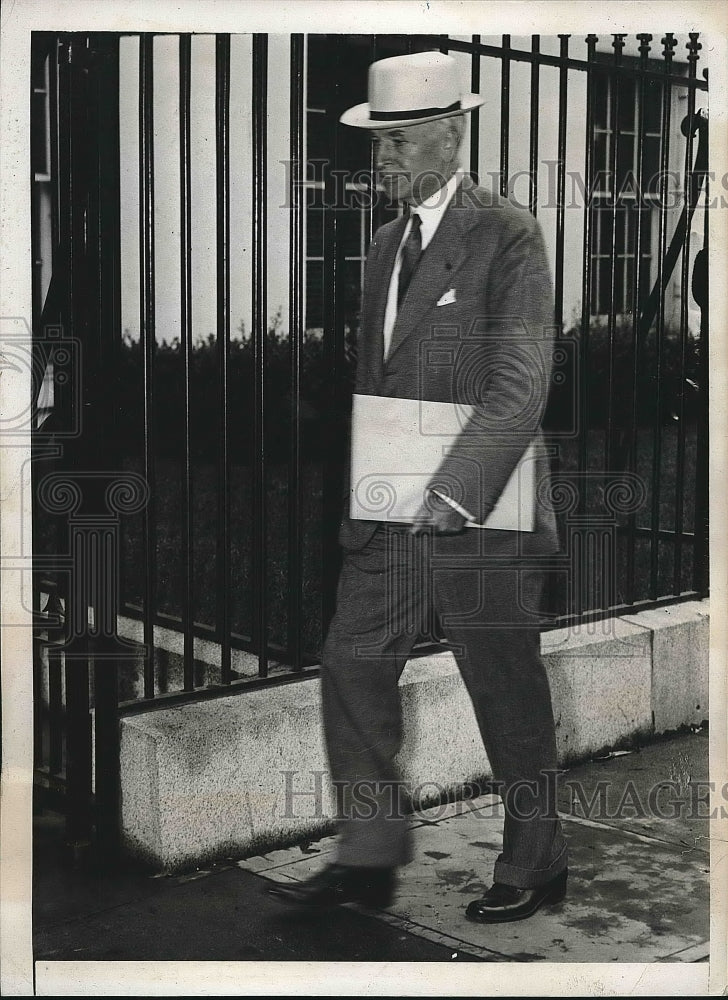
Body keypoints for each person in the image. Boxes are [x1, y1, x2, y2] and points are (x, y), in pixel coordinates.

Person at [269, 50, 568, 923]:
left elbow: (520, 383)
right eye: (378, 146)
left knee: (504, 684)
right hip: (391, 505)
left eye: (400, 143)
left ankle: (536, 856)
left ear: (452, 133)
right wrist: (374, 492)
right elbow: (378, 377)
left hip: (481, 506)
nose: (383, 163)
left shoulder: (508, 232)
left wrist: (459, 488)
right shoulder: (383, 246)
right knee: (353, 662)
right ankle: (369, 856)